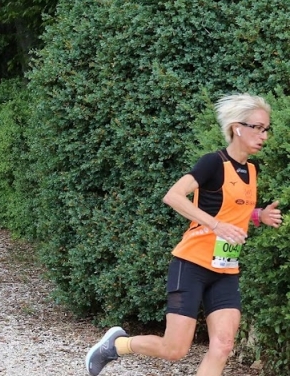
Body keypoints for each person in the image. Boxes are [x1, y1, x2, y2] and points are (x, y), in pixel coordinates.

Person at [85, 93, 282, 376]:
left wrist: (258, 215)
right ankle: (118, 345)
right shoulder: (212, 163)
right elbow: (174, 196)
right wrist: (215, 226)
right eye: (258, 127)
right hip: (191, 264)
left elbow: (233, 207)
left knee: (224, 345)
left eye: (266, 129)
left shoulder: (252, 169)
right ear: (238, 128)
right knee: (175, 349)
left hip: (226, 270)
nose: (264, 135)